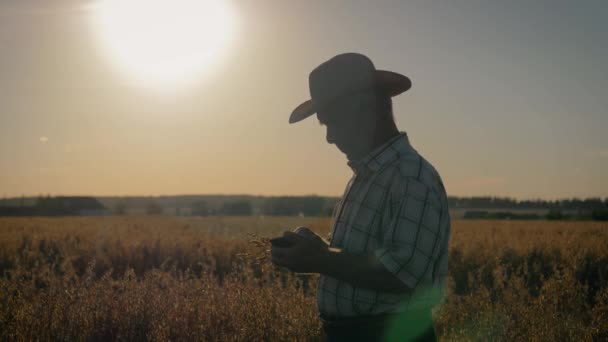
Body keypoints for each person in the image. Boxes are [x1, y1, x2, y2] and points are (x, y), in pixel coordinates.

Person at [271, 52, 451, 342]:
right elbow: (367, 256)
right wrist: (319, 249)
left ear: (367, 108)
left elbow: (403, 275)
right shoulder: (369, 175)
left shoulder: (410, 177)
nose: (329, 137)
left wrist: (320, 260)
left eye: (333, 122)